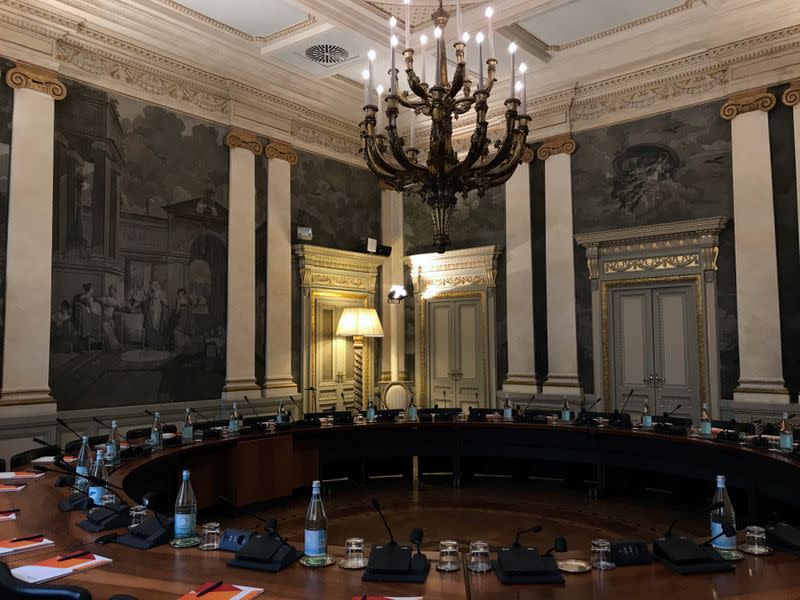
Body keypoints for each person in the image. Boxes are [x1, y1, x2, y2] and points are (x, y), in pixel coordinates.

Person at [72, 283, 102, 351]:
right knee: (99, 320)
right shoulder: (89, 298)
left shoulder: (82, 296)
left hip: (83, 314)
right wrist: (96, 314)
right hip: (87, 314)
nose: (93, 290)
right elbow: (92, 309)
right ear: (90, 289)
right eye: (92, 289)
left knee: (98, 318)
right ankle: (96, 341)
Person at [141, 280, 168, 349]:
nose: (151, 286)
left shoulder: (158, 292)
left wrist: (165, 306)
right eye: (151, 285)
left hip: (157, 310)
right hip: (151, 310)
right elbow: (146, 298)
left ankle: (158, 343)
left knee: (155, 325)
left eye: (152, 285)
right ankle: (152, 343)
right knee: (151, 325)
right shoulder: (152, 292)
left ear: (155, 285)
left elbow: (164, 301)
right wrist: (143, 293)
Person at [172, 288, 198, 354]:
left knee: (188, 325)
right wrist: (176, 313)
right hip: (183, 314)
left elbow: (191, 304)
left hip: (187, 314)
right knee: (180, 326)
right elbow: (178, 310)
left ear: (183, 293)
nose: (180, 294)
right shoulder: (179, 300)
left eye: (182, 293)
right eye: (179, 293)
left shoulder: (185, 299)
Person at [97, 284, 122, 350]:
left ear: (115, 291)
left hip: (110, 318)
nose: (111, 292)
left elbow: (120, 308)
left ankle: (109, 345)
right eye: (110, 290)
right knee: (107, 325)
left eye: (112, 290)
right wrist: (105, 303)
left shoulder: (115, 301)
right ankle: (106, 344)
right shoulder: (106, 298)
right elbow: (97, 299)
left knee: (112, 325)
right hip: (104, 317)